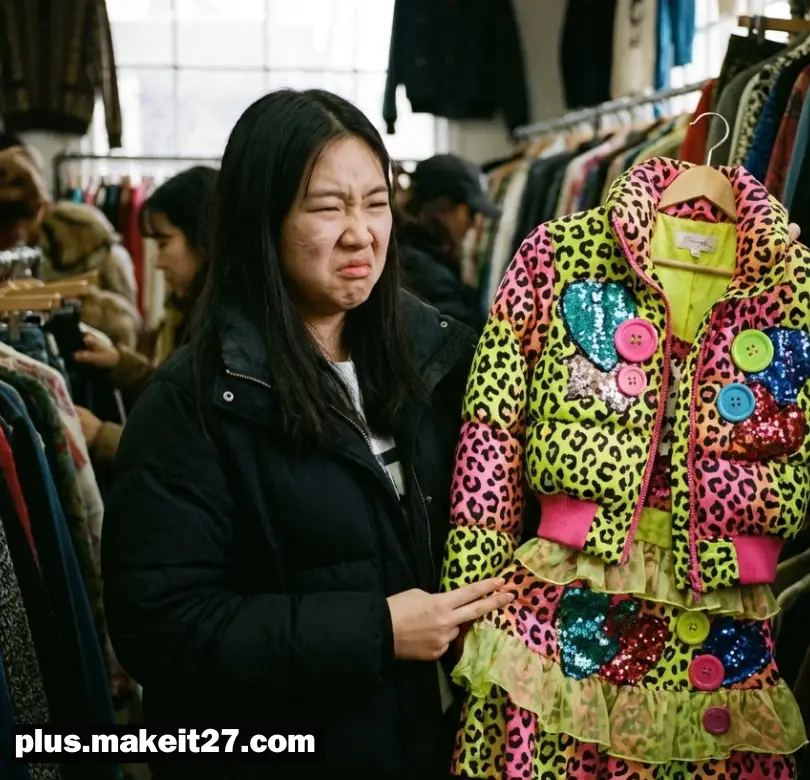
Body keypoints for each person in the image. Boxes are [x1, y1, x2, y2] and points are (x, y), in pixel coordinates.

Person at [99, 89, 511, 780]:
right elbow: (162, 628)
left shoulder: (444, 361)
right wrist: (376, 631)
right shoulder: (197, 403)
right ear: (261, 219)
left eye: (375, 203)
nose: (360, 233)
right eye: (327, 208)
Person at [70, 165, 217, 474]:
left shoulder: (223, 331)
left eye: (163, 243)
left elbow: (195, 454)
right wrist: (119, 363)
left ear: (203, 236)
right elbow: (177, 399)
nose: (158, 262)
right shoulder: (191, 312)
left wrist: (103, 436)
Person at [398, 153, 498, 331]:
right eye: (471, 213)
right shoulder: (424, 272)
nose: (474, 224)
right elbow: (466, 337)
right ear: (444, 208)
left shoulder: (414, 253)